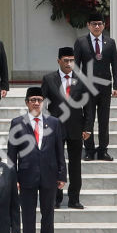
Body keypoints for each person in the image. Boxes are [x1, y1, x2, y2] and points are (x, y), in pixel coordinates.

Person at [8, 86, 64, 233]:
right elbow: (11, 153)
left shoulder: (54, 122)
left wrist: (62, 175)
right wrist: (12, 177)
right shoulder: (17, 123)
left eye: (39, 100)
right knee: (29, 215)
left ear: (43, 102)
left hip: (49, 174)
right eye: (33, 100)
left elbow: (59, 150)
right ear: (27, 103)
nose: (36, 103)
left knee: (48, 215)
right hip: (26, 175)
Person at [41, 47, 87, 208]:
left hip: (76, 127)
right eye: (66, 60)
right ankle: (56, 197)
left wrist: (87, 127)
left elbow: (87, 106)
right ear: (58, 60)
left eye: (71, 60)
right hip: (55, 128)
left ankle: (74, 198)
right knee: (54, 164)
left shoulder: (81, 79)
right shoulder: (49, 79)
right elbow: (42, 104)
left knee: (75, 165)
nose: (69, 64)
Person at [72, 12, 117, 161]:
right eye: (94, 24)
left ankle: (103, 150)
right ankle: (89, 149)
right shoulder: (81, 42)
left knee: (104, 119)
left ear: (104, 25)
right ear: (88, 25)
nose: (97, 26)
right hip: (87, 87)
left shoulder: (110, 42)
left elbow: (115, 65)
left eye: (100, 24)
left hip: (105, 87)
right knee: (88, 117)